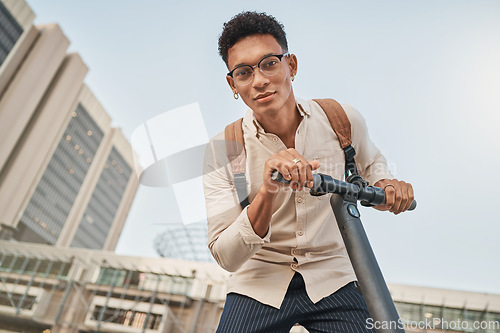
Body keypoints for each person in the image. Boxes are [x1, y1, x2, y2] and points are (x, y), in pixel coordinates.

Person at [203, 11, 414, 333]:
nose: (259, 80)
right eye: (244, 72)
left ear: (292, 65)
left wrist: (387, 187)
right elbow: (225, 256)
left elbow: (372, 166)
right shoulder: (221, 151)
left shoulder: (342, 119)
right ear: (233, 84)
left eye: (270, 63)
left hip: (334, 275)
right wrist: (268, 190)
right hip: (260, 280)